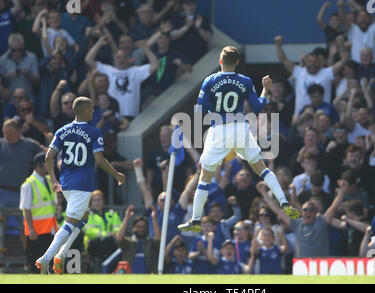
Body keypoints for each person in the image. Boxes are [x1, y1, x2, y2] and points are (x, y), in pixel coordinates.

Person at [177, 46, 300, 233]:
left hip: (219, 128)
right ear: (237, 62)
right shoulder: (245, 81)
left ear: (220, 62)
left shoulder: (209, 81)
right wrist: (265, 90)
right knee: (261, 168)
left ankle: (195, 220)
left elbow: (199, 112)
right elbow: (258, 108)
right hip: (241, 127)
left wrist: (210, 108)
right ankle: (283, 201)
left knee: (205, 176)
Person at [35, 96, 125, 274]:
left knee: (83, 218)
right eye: (91, 108)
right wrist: (116, 174)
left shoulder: (62, 131)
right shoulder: (93, 132)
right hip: (82, 185)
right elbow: (99, 159)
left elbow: (48, 156)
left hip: (67, 183)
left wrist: (54, 179)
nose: (93, 111)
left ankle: (61, 253)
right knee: (70, 223)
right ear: (84, 110)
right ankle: (46, 258)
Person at [85, 35, 159, 118]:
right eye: (118, 58)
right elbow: (89, 59)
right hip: (114, 118)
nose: (121, 60)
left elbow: (155, 65)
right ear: (114, 59)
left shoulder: (136, 71)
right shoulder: (108, 70)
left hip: (133, 117)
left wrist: (146, 49)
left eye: (123, 57)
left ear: (128, 59)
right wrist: (99, 43)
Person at [19, 152, 58, 273]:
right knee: (36, 264)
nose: (49, 167)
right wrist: (30, 229)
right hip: (36, 231)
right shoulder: (28, 184)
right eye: (47, 164)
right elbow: (26, 209)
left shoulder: (48, 180)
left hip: (50, 229)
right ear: (39, 166)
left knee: (49, 264)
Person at [0, 118, 44, 208]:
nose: (5, 135)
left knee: (21, 220)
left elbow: (45, 153)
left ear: (17, 132)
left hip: (21, 192)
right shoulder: (1, 145)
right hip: (2, 191)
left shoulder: (30, 145)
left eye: (8, 133)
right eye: (4, 132)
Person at [84, 190, 122, 273]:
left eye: (99, 200)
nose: (97, 203)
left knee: (111, 241)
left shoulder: (112, 213)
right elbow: (89, 231)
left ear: (104, 201)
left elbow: (118, 228)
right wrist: (107, 234)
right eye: (94, 200)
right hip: (93, 244)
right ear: (91, 203)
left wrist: (113, 234)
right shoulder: (88, 214)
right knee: (106, 240)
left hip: (110, 243)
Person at [115, 205, 160, 274]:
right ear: (133, 228)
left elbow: (159, 239)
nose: (141, 229)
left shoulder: (151, 242)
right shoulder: (128, 242)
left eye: (143, 227)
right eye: (138, 227)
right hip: (129, 279)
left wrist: (154, 219)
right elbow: (119, 238)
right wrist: (126, 218)